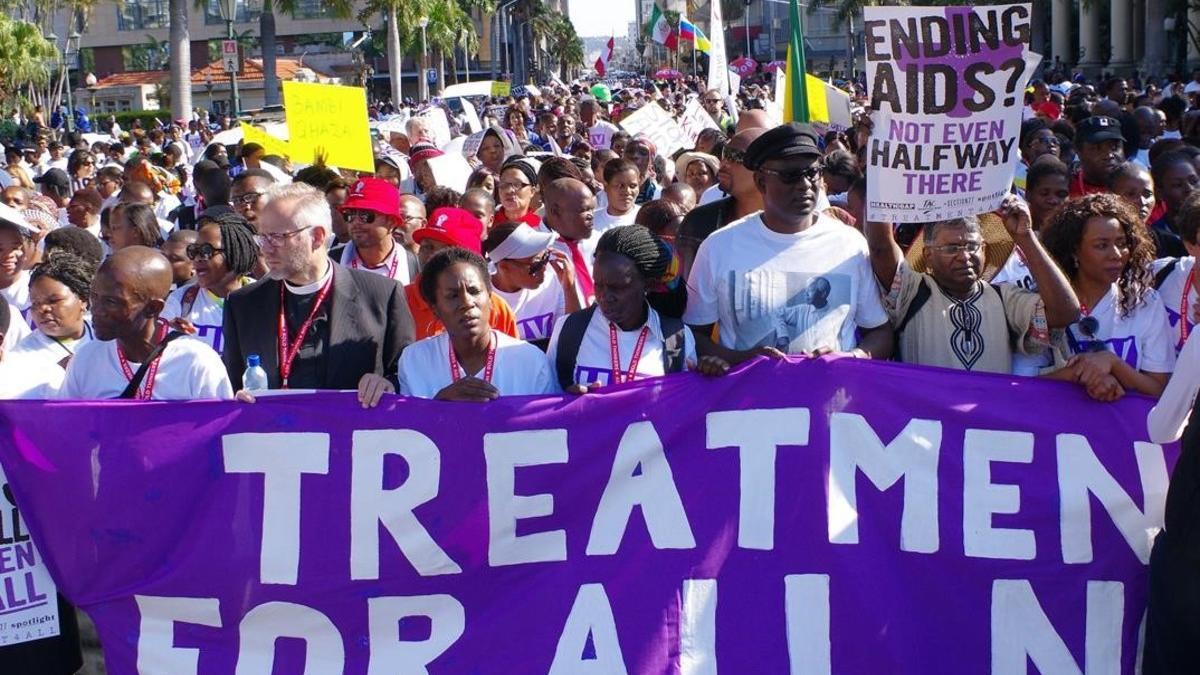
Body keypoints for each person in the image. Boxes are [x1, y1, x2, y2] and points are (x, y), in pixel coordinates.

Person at [684, 122, 893, 362]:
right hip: (749, 398)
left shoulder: (850, 244)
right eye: (790, 176)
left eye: (812, 173)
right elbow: (693, 336)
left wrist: (849, 358)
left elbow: (879, 332)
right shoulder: (718, 247)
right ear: (762, 183)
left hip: (831, 397)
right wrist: (742, 360)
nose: (804, 185)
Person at [221, 183, 415, 391]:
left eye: (277, 237)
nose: (265, 249)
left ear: (317, 237)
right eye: (262, 237)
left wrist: (387, 383)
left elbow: (406, 375)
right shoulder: (243, 305)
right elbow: (232, 386)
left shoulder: (381, 296)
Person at [865, 198, 1078, 374]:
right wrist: (884, 183)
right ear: (928, 256)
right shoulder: (912, 291)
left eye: (972, 246)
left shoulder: (1004, 298)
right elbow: (880, 248)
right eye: (952, 248)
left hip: (986, 424)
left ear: (984, 251)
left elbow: (1065, 312)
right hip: (925, 423)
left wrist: (1026, 237)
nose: (964, 256)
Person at [357, 248, 556, 404]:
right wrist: (440, 406)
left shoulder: (531, 360)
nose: (467, 302)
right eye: (452, 295)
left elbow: (550, 431)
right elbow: (410, 433)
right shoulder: (414, 360)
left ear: (489, 296)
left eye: (474, 291)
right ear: (434, 308)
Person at [548, 225, 728, 392]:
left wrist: (709, 377)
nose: (604, 296)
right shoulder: (568, 329)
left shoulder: (677, 338)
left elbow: (684, 409)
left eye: (618, 287)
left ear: (647, 285)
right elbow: (545, 400)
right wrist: (569, 401)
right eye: (598, 285)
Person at [1042, 193, 1174, 399]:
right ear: (1074, 251)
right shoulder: (1044, 302)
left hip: (1123, 429)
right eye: (1101, 245)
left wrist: (1112, 363)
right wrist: (1084, 374)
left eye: (1122, 243)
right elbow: (1023, 385)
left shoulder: (1146, 301)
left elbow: (1159, 389)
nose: (1116, 254)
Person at [59, 246, 233, 400]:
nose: (96, 310)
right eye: (94, 297)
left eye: (111, 302)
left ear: (153, 308)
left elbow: (220, 431)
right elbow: (66, 429)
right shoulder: (86, 360)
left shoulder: (196, 362)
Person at [404, 207, 519, 340]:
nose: (432, 256)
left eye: (447, 250)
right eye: (427, 247)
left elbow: (513, 357)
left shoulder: (496, 308)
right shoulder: (401, 301)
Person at [162, 212, 258, 354]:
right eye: (194, 251)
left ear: (236, 251)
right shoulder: (181, 300)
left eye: (207, 251)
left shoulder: (263, 297)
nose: (198, 258)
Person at [678, 128, 768, 279]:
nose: (724, 163)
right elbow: (684, 292)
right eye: (725, 154)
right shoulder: (698, 223)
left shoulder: (793, 224)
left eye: (735, 157)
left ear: (765, 169)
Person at [485, 222, 578, 345]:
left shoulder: (553, 283)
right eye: (536, 265)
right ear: (504, 267)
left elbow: (572, 336)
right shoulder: (483, 298)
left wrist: (569, 290)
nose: (544, 268)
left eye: (545, 257)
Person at [11, 252, 94, 370]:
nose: (42, 309)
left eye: (53, 300)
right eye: (35, 303)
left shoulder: (108, 335)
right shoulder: (21, 358)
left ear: (83, 300)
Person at [328, 177, 419, 285]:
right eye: (350, 215)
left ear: (392, 221)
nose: (356, 222)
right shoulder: (330, 261)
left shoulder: (413, 266)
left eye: (365, 215)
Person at [543, 177, 599, 307]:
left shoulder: (598, 240)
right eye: (583, 210)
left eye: (592, 209)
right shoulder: (535, 250)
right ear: (555, 211)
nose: (591, 215)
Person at [1070, 116, 1126, 197]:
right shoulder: (1065, 189)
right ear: (1078, 151)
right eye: (1097, 148)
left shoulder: (1139, 188)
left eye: (1114, 147)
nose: (1109, 155)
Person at [593, 158, 641, 233]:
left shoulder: (645, 218)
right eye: (620, 186)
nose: (627, 191)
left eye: (633, 186)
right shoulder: (592, 220)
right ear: (606, 186)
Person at [496, 157, 542, 228]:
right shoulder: (487, 222)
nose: (509, 190)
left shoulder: (540, 227)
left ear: (532, 191)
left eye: (517, 184)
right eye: (504, 184)